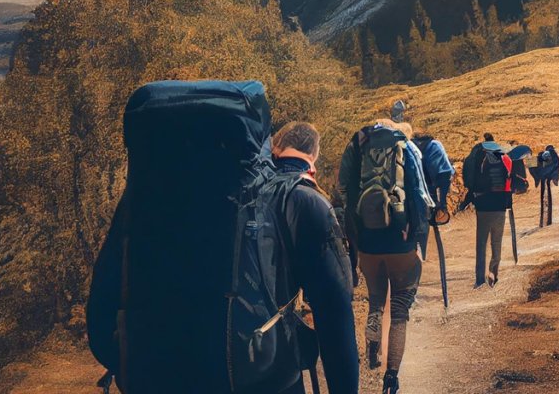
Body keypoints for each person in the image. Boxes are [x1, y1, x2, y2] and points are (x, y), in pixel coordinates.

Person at [87, 82, 357, 394]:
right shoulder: (297, 201)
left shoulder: (141, 203)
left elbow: (100, 315)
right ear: (258, 133)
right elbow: (336, 322)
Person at [339, 119, 431, 394]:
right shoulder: (405, 146)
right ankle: (391, 377)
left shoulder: (357, 144)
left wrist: (355, 235)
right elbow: (419, 194)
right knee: (400, 311)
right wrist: (418, 236)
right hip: (401, 241)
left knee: (376, 300)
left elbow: (344, 189)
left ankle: (372, 342)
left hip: (368, 242)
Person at [270, 122, 361, 394]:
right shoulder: (307, 200)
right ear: (314, 154)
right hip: (272, 364)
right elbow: (336, 315)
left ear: (277, 147)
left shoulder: (248, 191)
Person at [458, 133, 514, 288]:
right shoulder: (503, 156)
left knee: (481, 243)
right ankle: (493, 273)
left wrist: (469, 199)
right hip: (500, 205)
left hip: (482, 206)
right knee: (496, 242)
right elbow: (511, 180)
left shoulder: (477, 156)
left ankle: (479, 278)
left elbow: (470, 180)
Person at [534, 145, 559, 227]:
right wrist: (555, 178)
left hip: (542, 177)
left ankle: (541, 222)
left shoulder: (540, 154)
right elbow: (557, 167)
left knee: (542, 198)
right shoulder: (555, 155)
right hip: (549, 178)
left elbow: (531, 163)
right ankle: (549, 221)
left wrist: (536, 177)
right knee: (549, 198)